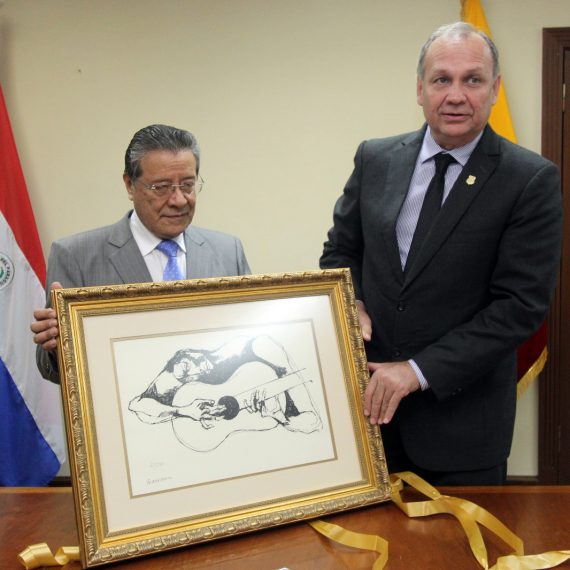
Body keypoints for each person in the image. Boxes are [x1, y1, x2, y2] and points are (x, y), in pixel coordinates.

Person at [319, 22, 562, 485]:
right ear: (420, 88)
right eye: (441, 79)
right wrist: (353, 302)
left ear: (495, 90)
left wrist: (417, 371)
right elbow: (340, 252)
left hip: (462, 431)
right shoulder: (375, 159)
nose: (455, 95)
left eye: (472, 80)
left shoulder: (529, 180)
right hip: (367, 418)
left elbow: (519, 307)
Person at [31, 124, 250, 383]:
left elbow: (246, 340)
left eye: (188, 185)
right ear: (130, 185)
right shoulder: (75, 256)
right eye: (161, 187)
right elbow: (50, 370)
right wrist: (58, 346)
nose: (179, 200)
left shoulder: (228, 251)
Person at [127, 335, 322, 451]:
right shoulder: (188, 372)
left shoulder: (261, 348)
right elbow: (137, 405)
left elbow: (313, 422)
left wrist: (279, 416)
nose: (195, 371)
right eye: (186, 374)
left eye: (189, 365)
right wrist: (183, 411)